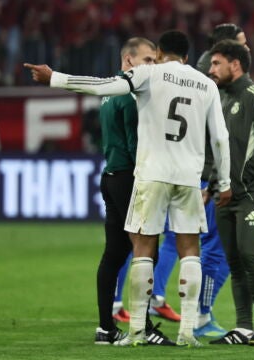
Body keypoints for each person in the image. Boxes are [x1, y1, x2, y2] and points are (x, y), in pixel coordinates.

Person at [25, 30, 232, 348]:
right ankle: (188, 331)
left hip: (151, 174)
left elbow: (103, 86)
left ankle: (136, 329)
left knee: (143, 249)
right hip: (189, 176)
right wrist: (225, 181)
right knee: (190, 249)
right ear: (188, 57)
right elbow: (220, 138)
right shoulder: (206, 84)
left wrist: (56, 78)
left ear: (160, 52)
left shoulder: (148, 73)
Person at [148, 22, 250, 333]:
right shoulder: (213, 75)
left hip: (181, 166)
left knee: (172, 237)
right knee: (214, 246)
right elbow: (218, 130)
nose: (247, 47)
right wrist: (220, 177)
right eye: (242, 42)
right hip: (205, 171)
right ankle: (201, 315)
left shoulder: (198, 68)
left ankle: (156, 295)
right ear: (228, 46)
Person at [85, 37, 172, 346]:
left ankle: (106, 329)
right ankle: (143, 325)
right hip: (130, 177)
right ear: (128, 61)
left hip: (110, 175)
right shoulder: (129, 95)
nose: (153, 66)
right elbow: (139, 146)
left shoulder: (108, 95)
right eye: (147, 60)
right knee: (146, 248)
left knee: (115, 253)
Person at [207, 39, 254, 346]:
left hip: (252, 192)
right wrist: (213, 186)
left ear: (235, 64)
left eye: (216, 63)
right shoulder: (217, 98)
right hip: (224, 193)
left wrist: (235, 185)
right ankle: (243, 326)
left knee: (250, 255)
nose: (211, 69)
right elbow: (213, 149)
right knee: (234, 260)